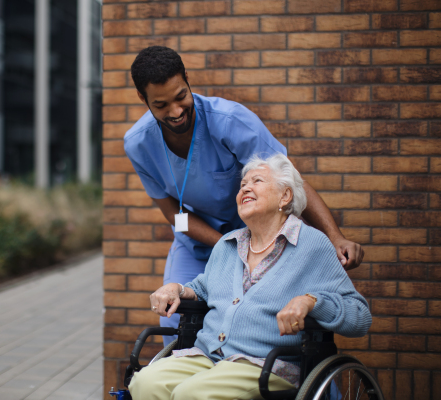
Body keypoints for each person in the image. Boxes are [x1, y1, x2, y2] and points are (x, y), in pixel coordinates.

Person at [124, 46, 364, 345]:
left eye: (181, 96)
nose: (175, 111)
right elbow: (175, 216)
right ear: (142, 98)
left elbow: (289, 181)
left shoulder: (230, 121)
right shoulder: (138, 144)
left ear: (187, 79)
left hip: (261, 240)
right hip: (197, 243)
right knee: (174, 317)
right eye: (160, 105)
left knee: (268, 327)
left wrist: (335, 236)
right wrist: (225, 247)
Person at [128, 154, 372, 400]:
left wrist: (310, 301)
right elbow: (203, 289)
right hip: (207, 357)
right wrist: (176, 289)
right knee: (145, 383)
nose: (245, 187)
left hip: (264, 365)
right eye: (243, 184)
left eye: (257, 181)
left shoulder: (312, 245)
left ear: (285, 196)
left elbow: (359, 316)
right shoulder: (228, 244)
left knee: (191, 394)